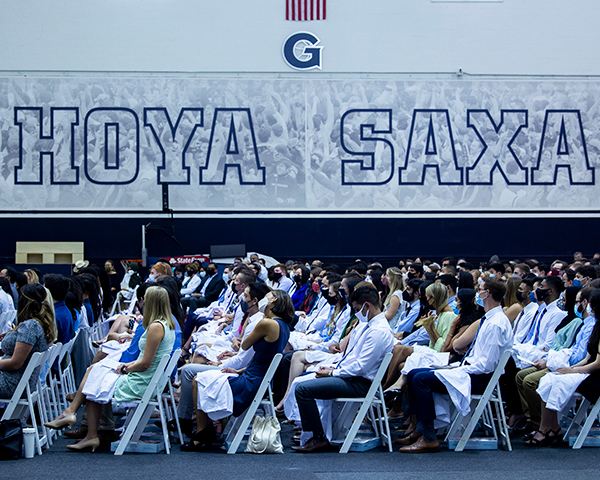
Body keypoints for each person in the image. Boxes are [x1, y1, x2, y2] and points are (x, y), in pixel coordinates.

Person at [45, 286, 176, 452]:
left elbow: (145, 363)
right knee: (96, 373)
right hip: (148, 379)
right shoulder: (165, 324)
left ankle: (83, 426)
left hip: (141, 382)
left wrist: (125, 369)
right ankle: (82, 425)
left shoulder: (155, 327)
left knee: (95, 377)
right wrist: (127, 366)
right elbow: (148, 360)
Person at [399, 277, 513, 453]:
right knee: (414, 373)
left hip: (479, 378)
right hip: (472, 371)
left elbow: (486, 364)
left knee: (420, 379)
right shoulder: (490, 319)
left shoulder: (496, 323)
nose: (477, 292)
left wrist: (460, 368)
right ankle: (419, 429)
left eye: (480, 289)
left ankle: (429, 438)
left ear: (487, 293)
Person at [181, 289, 292, 451]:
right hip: (256, 377)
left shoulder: (266, 323)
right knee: (201, 379)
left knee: (198, 380)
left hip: (250, 381)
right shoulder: (284, 325)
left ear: (273, 301)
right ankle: (205, 430)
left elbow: (245, 344)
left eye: (266, 297)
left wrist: (243, 330)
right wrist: (238, 371)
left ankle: (201, 432)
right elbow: (263, 361)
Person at [291, 285, 394, 453]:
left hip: (360, 383)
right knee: (304, 378)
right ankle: (311, 429)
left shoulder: (378, 331)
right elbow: (353, 359)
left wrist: (332, 372)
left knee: (303, 389)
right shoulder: (368, 325)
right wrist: (332, 368)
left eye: (357, 309)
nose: (356, 313)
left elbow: (361, 367)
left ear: (367, 306)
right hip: (352, 377)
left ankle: (318, 437)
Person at [0, 284, 55, 398]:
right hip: (20, 381)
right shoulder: (40, 323)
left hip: (11, 382)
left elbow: (15, 363)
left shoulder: (31, 326)